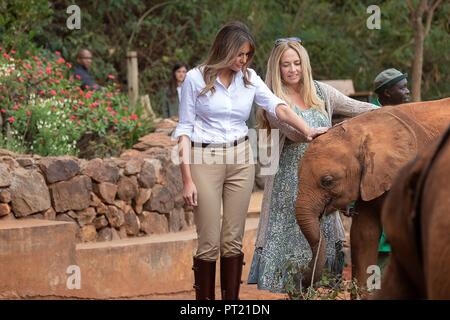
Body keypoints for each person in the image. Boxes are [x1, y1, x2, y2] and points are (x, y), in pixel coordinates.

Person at [173, 22, 327, 300]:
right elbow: (184, 129)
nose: (243, 60)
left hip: (242, 157)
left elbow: (277, 106)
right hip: (203, 158)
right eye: (239, 54)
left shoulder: (249, 78)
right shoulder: (195, 79)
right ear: (224, 49)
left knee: (232, 240)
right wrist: (186, 180)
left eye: (247, 55)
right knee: (208, 241)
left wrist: (306, 130)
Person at [248, 38, 379, 295]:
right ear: (277, 68)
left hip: (323, 182)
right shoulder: (272, 100)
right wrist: (317, 131)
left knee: (324, 250)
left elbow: (357, 108)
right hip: (290, 184)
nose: (293, 69)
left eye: (297, 63)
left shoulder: (321, 92)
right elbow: (295, 133)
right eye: (286, 65)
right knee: (295, 250)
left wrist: (388, 112)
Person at [373, 68, 410, 270]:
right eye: (402, 88)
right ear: (387, 92)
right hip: (376, 195)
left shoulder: (409, 114)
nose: (408, 92)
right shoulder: (369, 116)